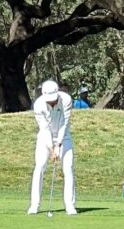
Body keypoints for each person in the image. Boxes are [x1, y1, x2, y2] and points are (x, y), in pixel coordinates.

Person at [28, 80, 77, 216]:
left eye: (54, 100)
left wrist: (58, 145)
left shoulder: (66, 99)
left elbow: (64, 124)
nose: (52, 103)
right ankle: (34, 205)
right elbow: (44, 129)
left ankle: (70, 205)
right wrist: (51, 148)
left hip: (64, 137)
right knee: (40, 167)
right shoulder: (38, 105)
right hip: (45, 138)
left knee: (68, 168)